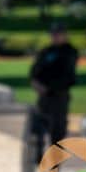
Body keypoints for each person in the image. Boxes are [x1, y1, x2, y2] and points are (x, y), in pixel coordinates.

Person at [29, 23, 78, 155]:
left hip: (59, 96)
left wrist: (50, 87)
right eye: (53, 34)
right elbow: (35, 71)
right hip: (43, 97)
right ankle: (38, 157)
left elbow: (66, 75)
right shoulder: (46, 51)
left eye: (58, 34)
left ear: (65, 35)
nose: (55, 37)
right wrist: (36, 83)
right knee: (38, 127)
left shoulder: (69, 52)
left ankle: (54, 163)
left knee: (57, 131)